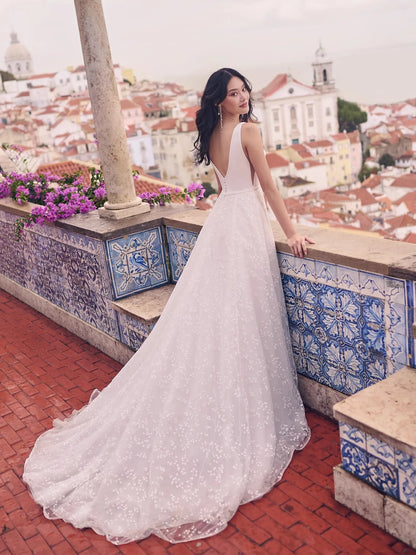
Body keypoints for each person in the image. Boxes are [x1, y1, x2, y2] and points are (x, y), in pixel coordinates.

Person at [23, 68, 314, 545]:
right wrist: (292, 234)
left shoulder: (216, 132)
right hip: (242, 231)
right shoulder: (250, 131)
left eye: (243, 92)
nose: (241, 98)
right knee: (244, 320)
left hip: (224, 226)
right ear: (219, 101)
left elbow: (227, 190)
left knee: (222, 320)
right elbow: (268, 188)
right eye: (233, 93)